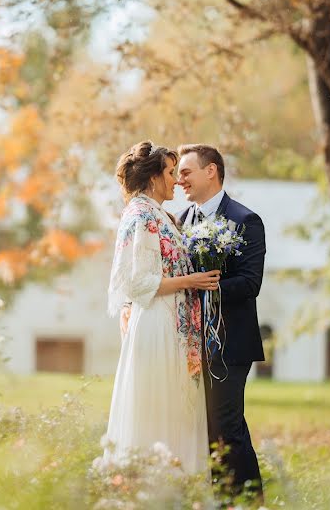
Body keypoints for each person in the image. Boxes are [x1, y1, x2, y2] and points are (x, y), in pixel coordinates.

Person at [102, 141, 221, 473]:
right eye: (171, 172)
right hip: (156, 325)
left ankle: (177, 490)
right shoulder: (140, 215)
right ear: (154, 176)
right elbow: (137, 283)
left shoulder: (162, 215)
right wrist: (191, 281)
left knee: (176, 410)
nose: (176, 181)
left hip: (175, 326)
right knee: (157, 410)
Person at [176, 143, 266, 499]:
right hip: (192, 342)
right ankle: (229, 496)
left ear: (210, 170)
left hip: (231, 343)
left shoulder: (245, 220)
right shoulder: (181, 222)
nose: (179, 180)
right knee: (211, 424)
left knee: (225, 424)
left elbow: (250, 283)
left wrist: (201, 288)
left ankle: (245, 500)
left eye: (185, 172)